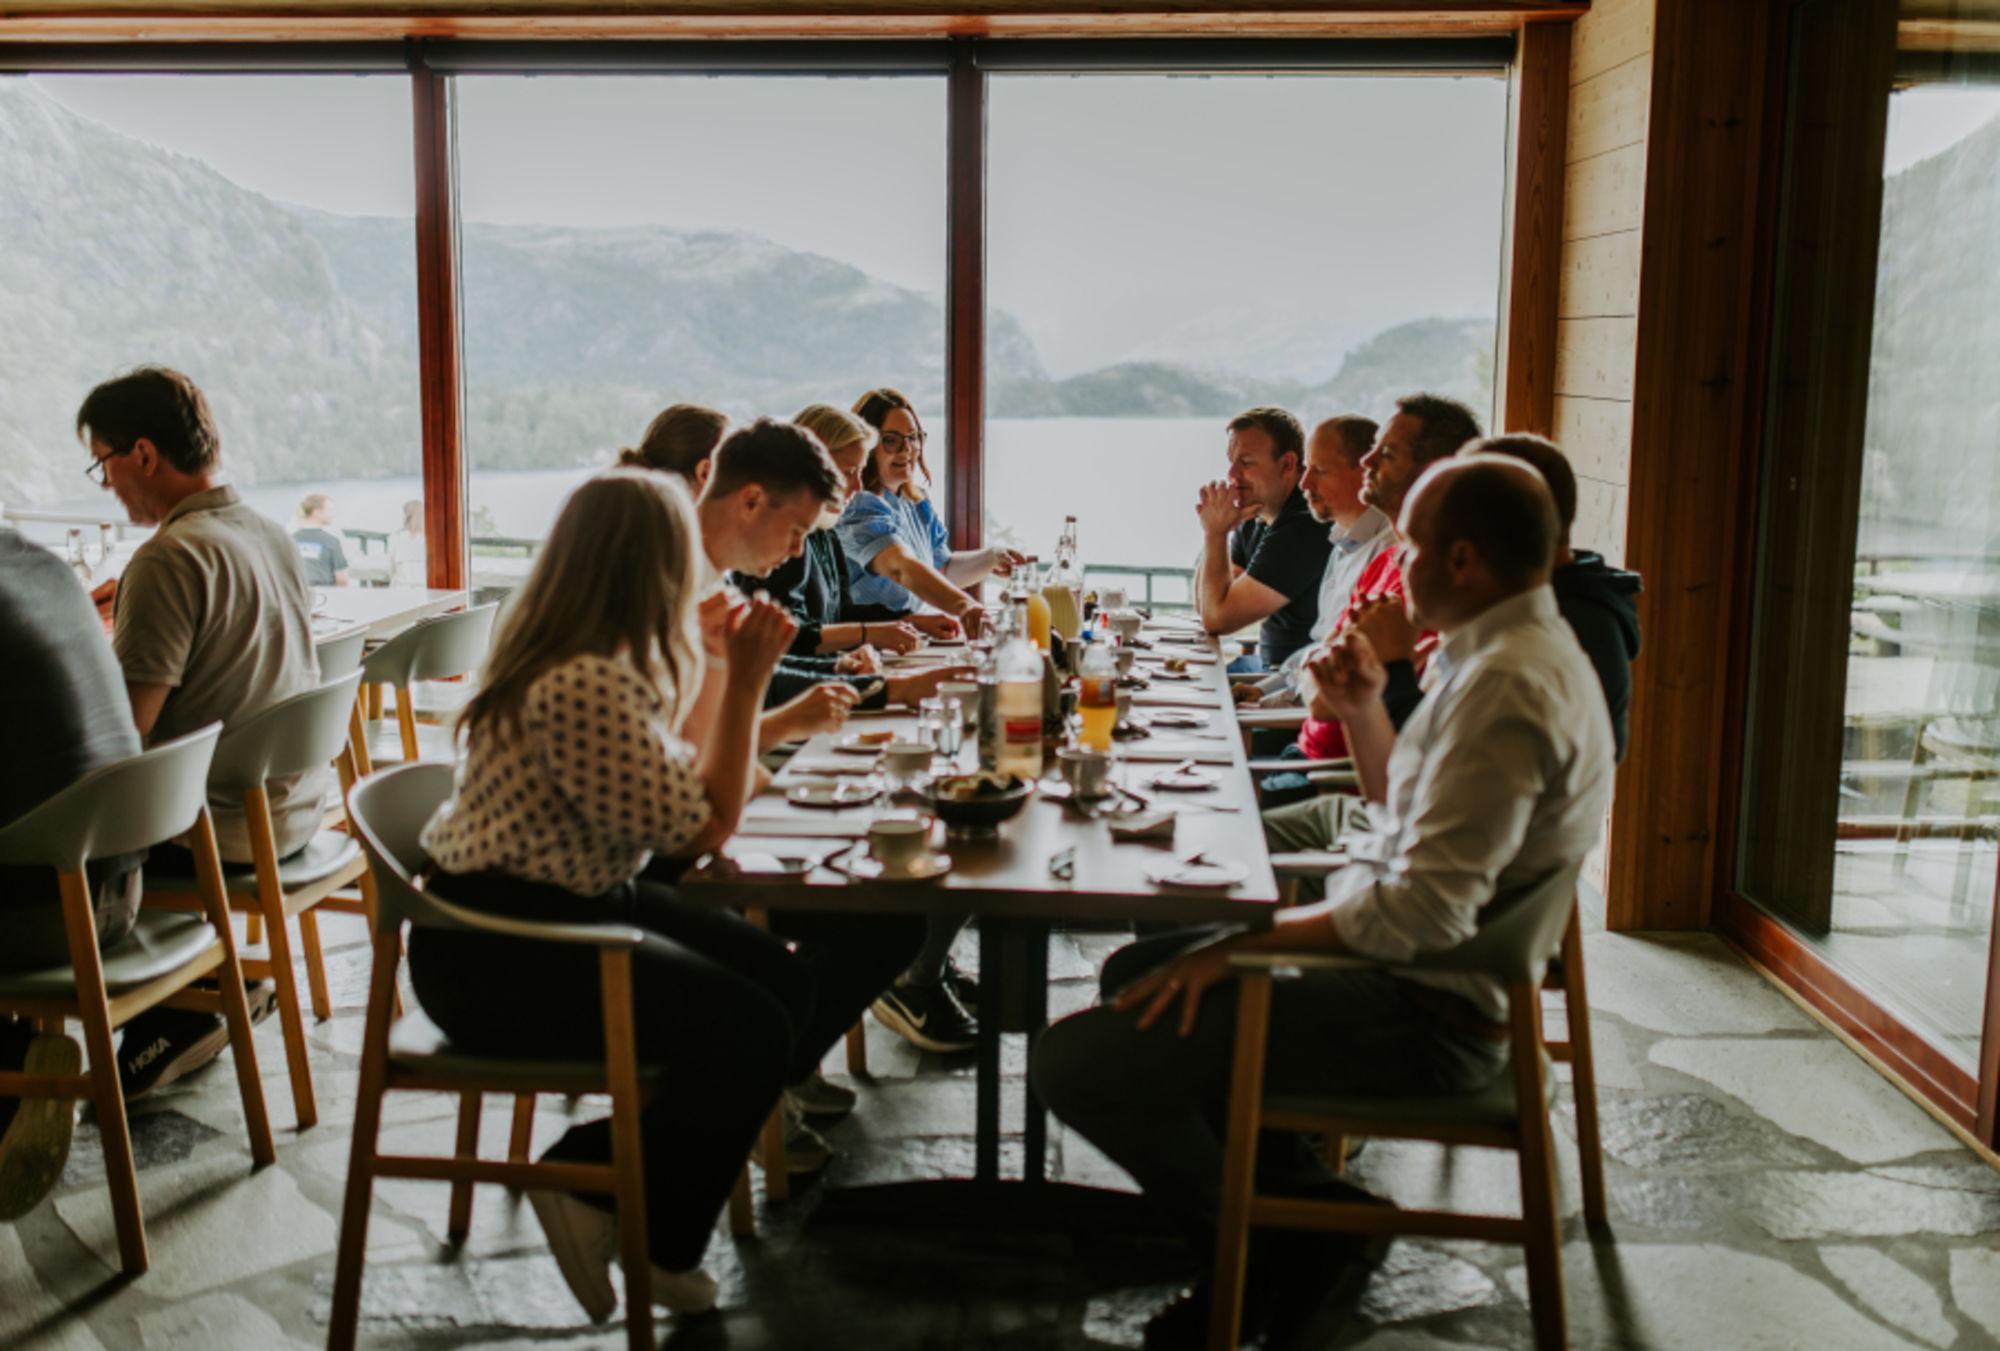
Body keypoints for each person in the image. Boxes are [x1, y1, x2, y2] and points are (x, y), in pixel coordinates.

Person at [1032, 455, 1617, 1349]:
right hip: (1421, 979)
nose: (1394, 565)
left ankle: (1271, 1252)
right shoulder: (1504, 652)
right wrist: (1367, 711)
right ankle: (1313, 1217)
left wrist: (1236, 950)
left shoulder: (1508, 686)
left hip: (1428, 1018)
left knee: (1076, 1059)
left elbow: (1420, 915)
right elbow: (1404, 827)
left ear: (1461, 560)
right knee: (1142, 965)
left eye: (1410, 546)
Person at [417, 468, 918, 1320]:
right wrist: (747, 675)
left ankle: (641, 1201)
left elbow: (698, 788)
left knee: (784, 982)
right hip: (497, 949)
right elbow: (702, 829)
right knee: (750, 1026)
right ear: (644, 564)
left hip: (563, 902)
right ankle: (599, 1183)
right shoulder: (583, 680)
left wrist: (722, 666)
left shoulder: (606, 657)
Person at [81, 366, 322, 1095]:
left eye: (103, 462)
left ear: (145, 455)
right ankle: (198, 995)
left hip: (217, 830)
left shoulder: (165, 558)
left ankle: (161, 1004)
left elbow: (124, 740)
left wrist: (92, 647)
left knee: (45, 833)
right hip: (293, 809)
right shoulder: (270, 533)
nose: (107, 484)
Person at [1264, 431, 1644, 880]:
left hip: (1410, 864)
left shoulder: (1521, 661)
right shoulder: (1491, 624)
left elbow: (1431, 884)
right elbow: (1407, 801)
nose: (1401, 562)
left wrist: (1395, 668)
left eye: (1417, 544)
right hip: (1384, 827)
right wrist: (1365, 702)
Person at [622, 406, 963, 736]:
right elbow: (707, 730)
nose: (798, 549)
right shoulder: (674, 579)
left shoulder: (705, 575)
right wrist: (885, 689)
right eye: (796, 531)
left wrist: (863, 677)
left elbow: (758, 674)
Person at [0, 528, 142, 1219]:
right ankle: (20, 1059)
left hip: (41, 914)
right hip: (121, 889)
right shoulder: (41, 563)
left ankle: (13, 1073)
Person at [734, 404, 924, 662]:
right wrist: (868, 633)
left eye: (860, 472)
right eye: (848, 472)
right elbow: (788, 635)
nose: (857, 485)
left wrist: (908, 621)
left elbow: (841, 612)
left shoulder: (826, 531)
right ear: (813, 465)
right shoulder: (782, 538)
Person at [837, 387, 1023, 639]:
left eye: (913, 438)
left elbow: (942, 570)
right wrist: (965, 606)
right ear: (868, 445)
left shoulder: (915, 503)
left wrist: (992, 557)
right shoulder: (859, 507)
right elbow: (902, 567)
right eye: (891, 440)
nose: (907, 450)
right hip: (868, 644)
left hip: (906, 640)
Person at [1234, 414, 1391, 712]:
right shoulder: (1342, 541)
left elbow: (1343, 674)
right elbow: (1318, 650)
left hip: (1312, 723)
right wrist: (1261, 690)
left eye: (1318, 470)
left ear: (1365, 471)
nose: (1304, 482)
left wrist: (1264, 706)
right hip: (1288, 692)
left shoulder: (1385, 553)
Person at [1194, 406, 1332, 673]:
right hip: (1267, 667)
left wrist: (1215, 532)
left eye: (1246, 462)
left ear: (1288, 464)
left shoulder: (1304, 525)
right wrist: (1218, 531)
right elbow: (1205, 605)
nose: (1232, 474)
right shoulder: (1255, 516)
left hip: (1292, 682)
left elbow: (1217, 619)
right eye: (1231, 461)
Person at [292, 492, 350, 587]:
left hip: (298, 593)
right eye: (330, 510)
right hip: (325, 595)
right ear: (316, 512)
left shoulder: (291, 539)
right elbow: (342, 579)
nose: (333, 514)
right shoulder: (331, 541)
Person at [388, 498, 426, 588]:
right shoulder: (396, 537)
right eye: (420, 514)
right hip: (401, 588)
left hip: (421, 588)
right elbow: (391, 567)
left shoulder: (426, 538)